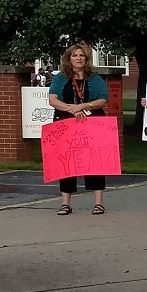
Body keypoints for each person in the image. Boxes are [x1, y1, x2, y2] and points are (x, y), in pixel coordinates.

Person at [48, 44, 110, 216]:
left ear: (86, 59)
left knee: (94, 161)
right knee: (66, 161)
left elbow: (103, 100)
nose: (78, 58)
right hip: (66, 122)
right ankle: (65, 203)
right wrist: (72, 109)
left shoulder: (94, 78)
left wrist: (83, 106)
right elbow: (53, 99)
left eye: (82, 55)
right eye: (75, 55)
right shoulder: (60, 78)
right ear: (69, 59)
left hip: (92, 122)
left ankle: (98, 203)